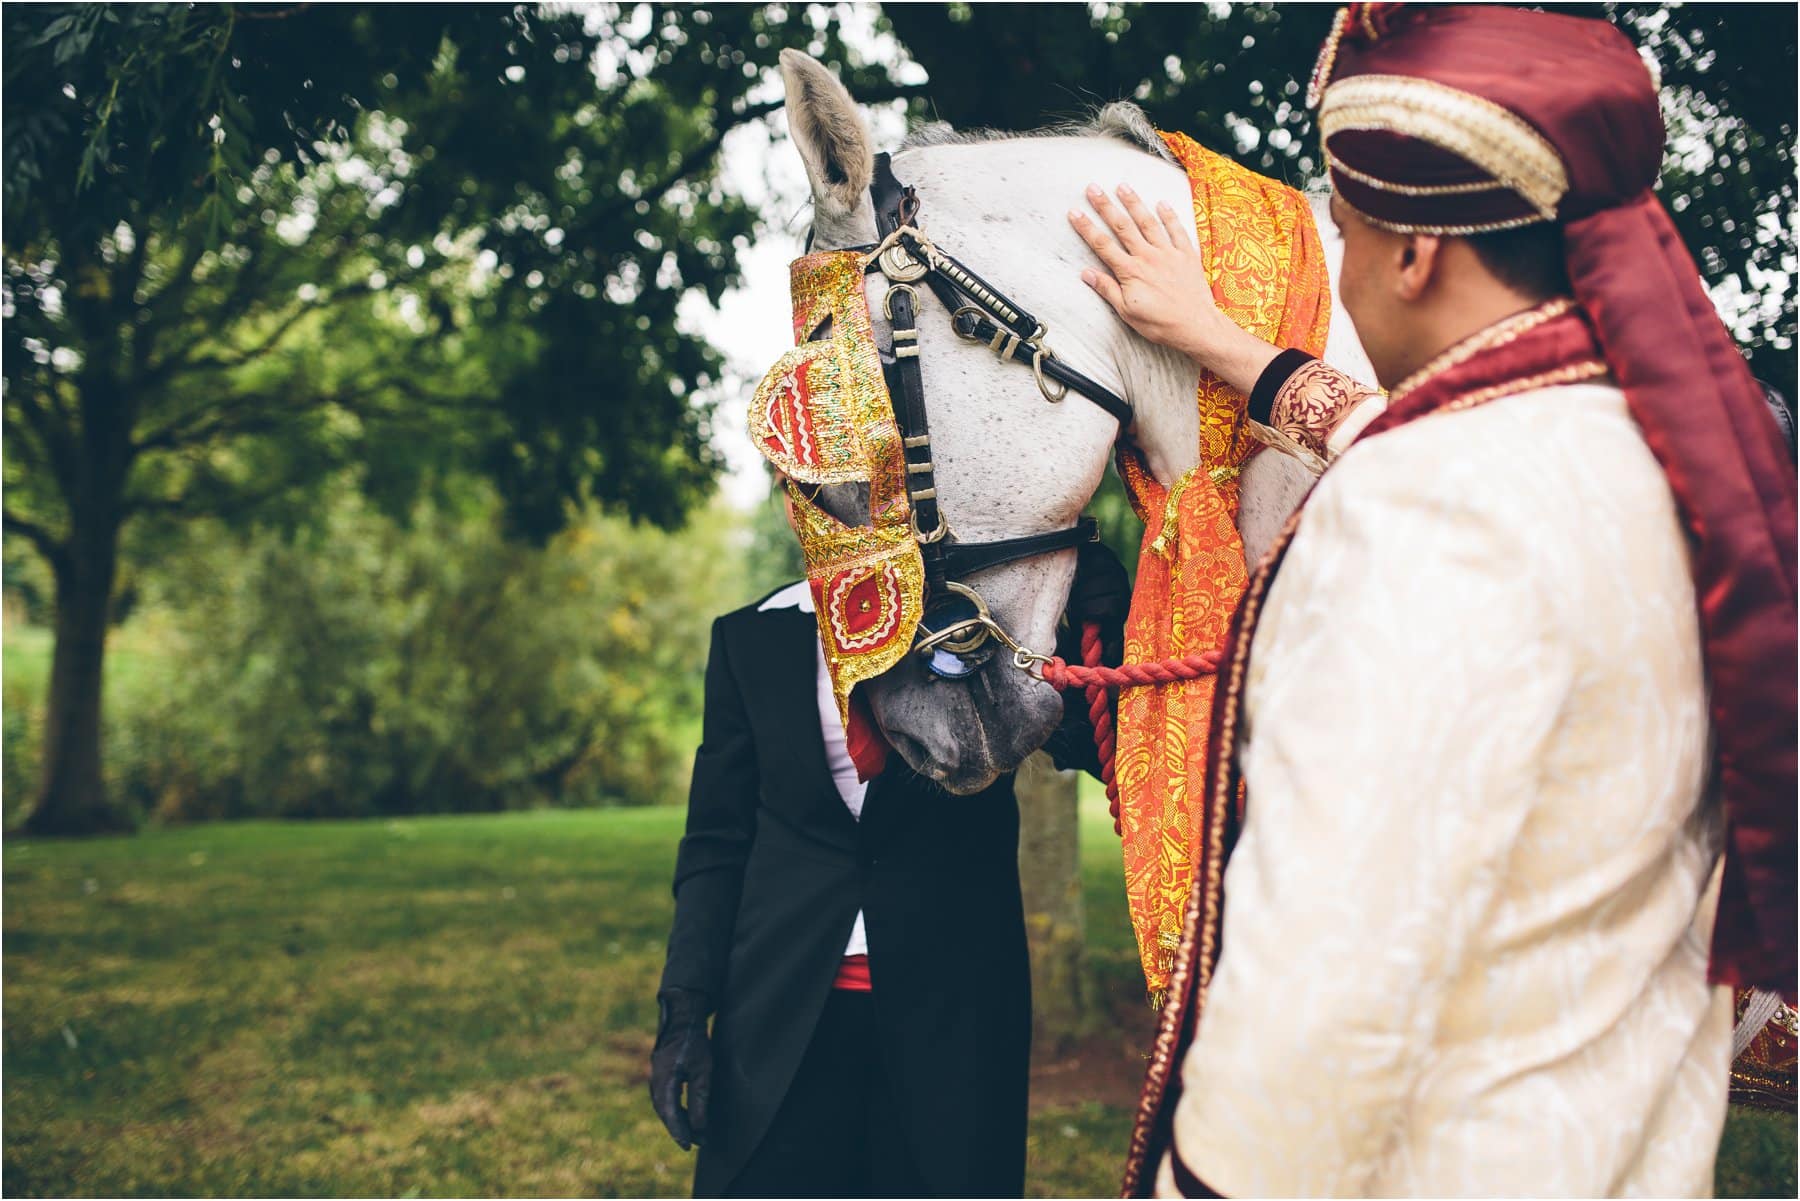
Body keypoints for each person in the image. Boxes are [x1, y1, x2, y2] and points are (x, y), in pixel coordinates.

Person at [1068, 4, 1796, 1195]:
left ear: (1414, 252)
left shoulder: (1427, 502)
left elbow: (1328, 982)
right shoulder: (1690, 479)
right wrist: (1218, 339)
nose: (1341, 270)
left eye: (1343, 229)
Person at [649, 474, 1123, 1198]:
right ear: (787, 498)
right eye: (809, 487)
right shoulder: (746, 640)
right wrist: (684, 1009)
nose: (837, 505)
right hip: (780, 1016)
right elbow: (716, 844)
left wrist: (1103, 632)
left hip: (953, 1012)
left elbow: (1101, 746)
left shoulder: (983, 627)